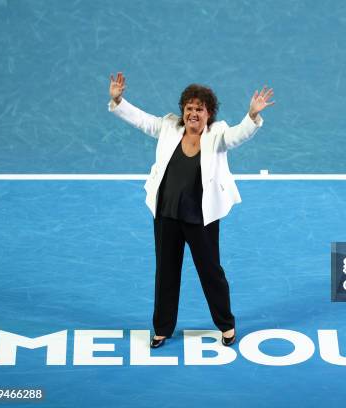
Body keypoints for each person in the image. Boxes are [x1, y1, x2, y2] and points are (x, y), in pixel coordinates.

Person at [108, 72, 274, 348]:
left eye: (199, 109)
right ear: (182, 111)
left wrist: (252, 116)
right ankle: (162, 328)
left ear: (209, 113)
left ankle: (226, 324)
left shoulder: (217, 134)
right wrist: (118, 100)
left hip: (201, 219)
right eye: (189, 108)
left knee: (210, 272)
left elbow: (236, 136)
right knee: (166, 273)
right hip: (167, 214)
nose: (193, 113)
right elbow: (142, 120)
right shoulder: (169, 127)